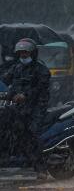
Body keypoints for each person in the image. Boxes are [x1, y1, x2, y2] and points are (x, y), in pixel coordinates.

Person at [0, 39, 51, 178]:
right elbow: (4, 80)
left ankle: (41, 168)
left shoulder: (41, 70)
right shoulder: (16, 68)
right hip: (19, 107)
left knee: (29, 134)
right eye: (21, 52)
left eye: (26, 52)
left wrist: (25, 96)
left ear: (33, 53)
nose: (23, 55)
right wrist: (7, 94)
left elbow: (40, 89)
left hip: (36, 108)